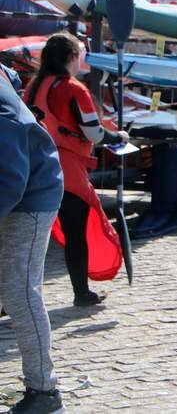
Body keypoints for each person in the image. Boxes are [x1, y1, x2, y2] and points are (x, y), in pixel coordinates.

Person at [23, 33, 124, 305]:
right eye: (80, 53)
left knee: (25, 244)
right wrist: (119, 138)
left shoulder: (34, 85)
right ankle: (82, 293)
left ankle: (12, 301)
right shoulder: (73, 89)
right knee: (75, 234)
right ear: (71, 57)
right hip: (65, 172)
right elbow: (93, 133)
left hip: (31, 170)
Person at [0, 64, 65, 413]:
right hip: (16, 184)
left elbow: (10, 177)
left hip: (32, 193)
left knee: (20, 290)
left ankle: (45, 392)